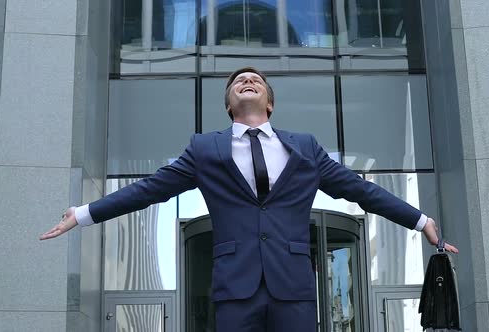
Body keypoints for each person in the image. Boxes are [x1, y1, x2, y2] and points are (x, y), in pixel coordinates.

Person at [40, 67, 458, 332]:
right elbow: (150, 189)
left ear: (269, 102)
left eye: (256, 79)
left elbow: (360, 190)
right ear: (229, 104)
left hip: (292, 286)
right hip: (235, 288)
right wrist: (83, 213)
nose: (247, 81)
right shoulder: (205, 150)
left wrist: (421, 221)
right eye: (238, 81)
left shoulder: (305, 148)